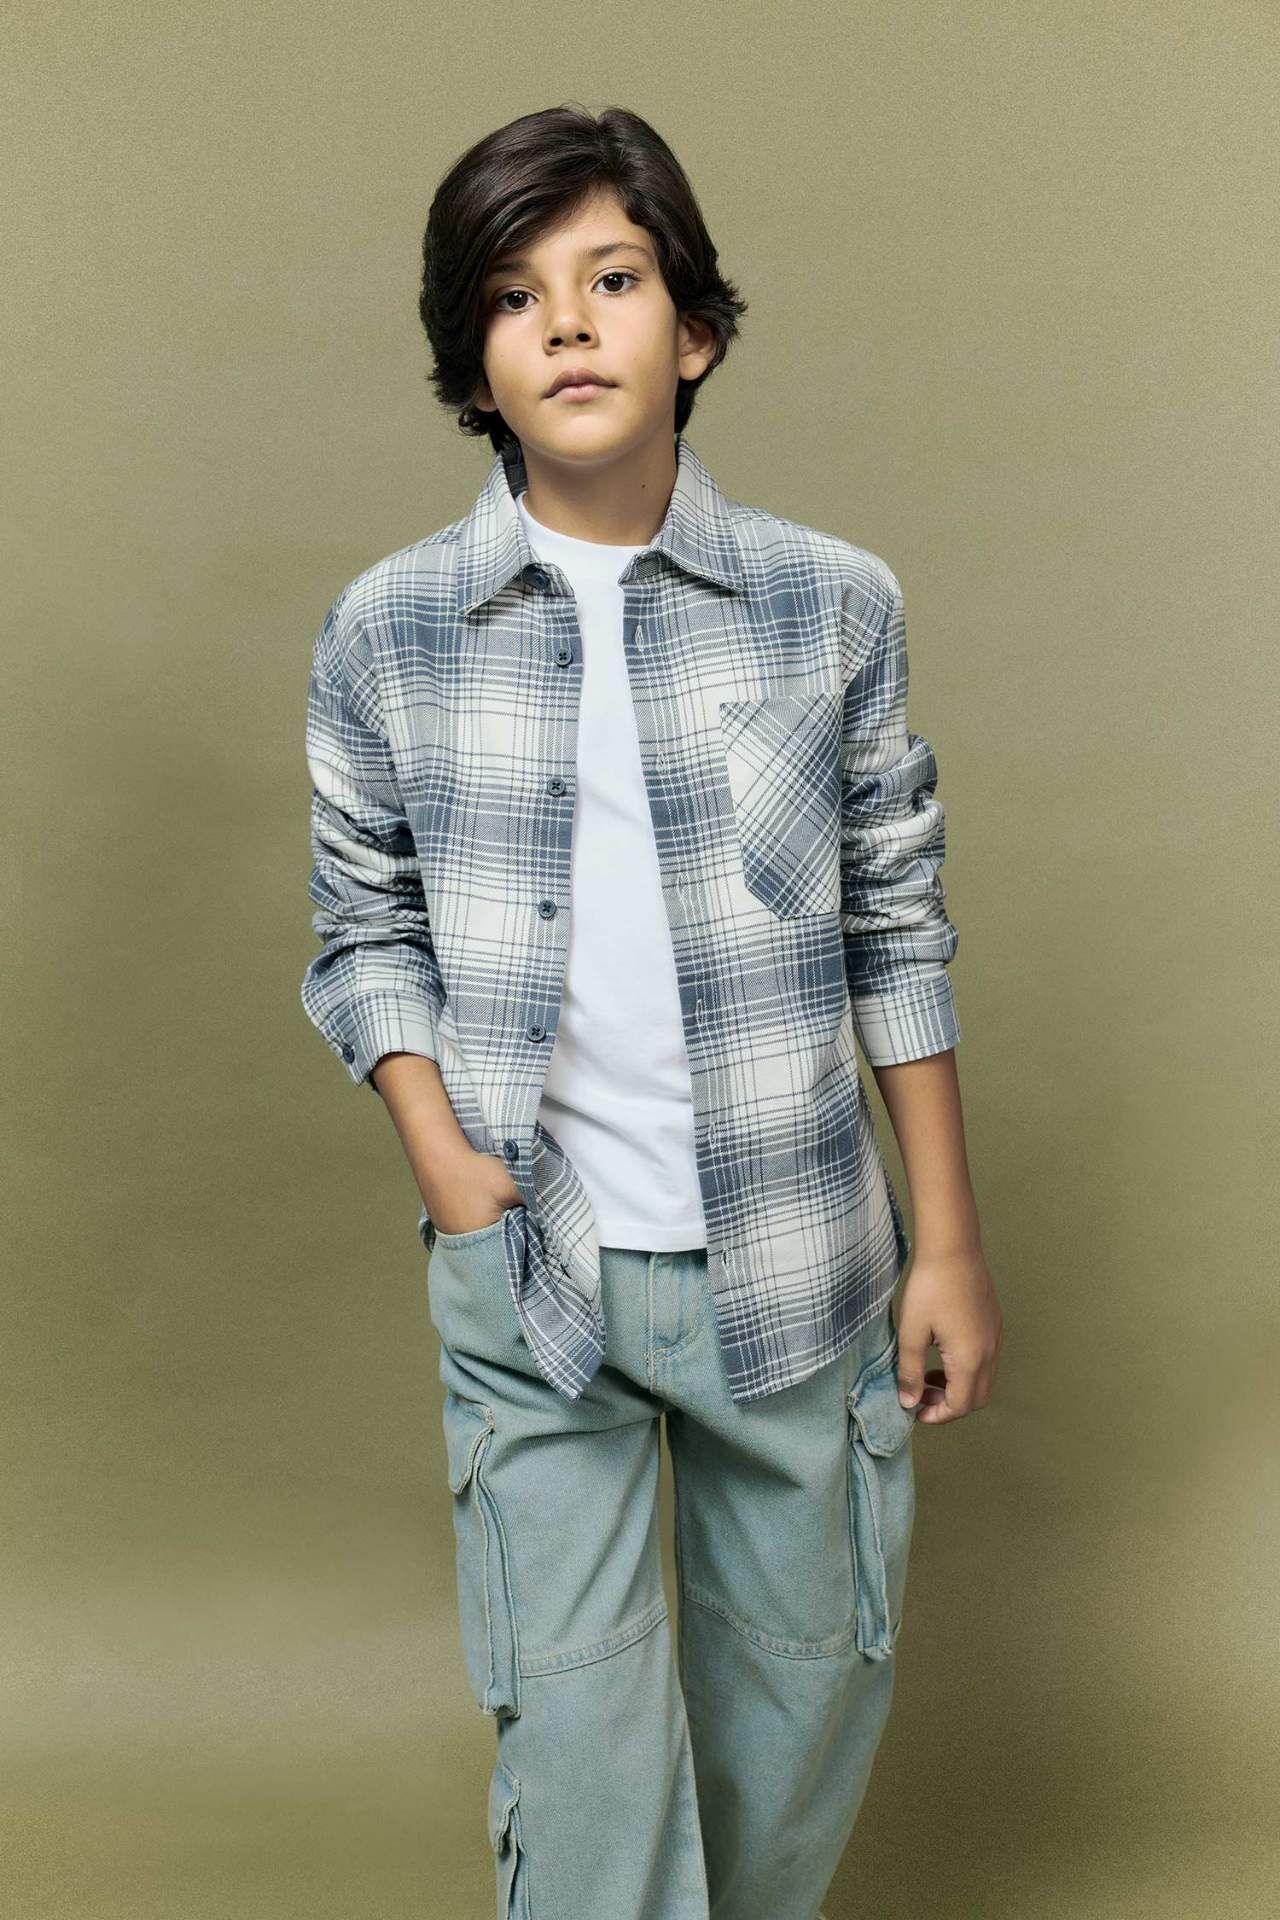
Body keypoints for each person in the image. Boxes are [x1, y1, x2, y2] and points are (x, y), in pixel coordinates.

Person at [300, 101, 1002, 1920]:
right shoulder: (389, 630)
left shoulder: (832, 605)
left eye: (611, 280)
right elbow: (362, 924)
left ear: (691, 328)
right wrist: (447, 1162)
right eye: (514, 296)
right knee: (586, 1761)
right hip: (537, 1274)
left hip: (803, 1260)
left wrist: (946, 1243)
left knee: (799, 1718)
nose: (567, 323)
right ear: (473, 360)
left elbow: (896, 926)